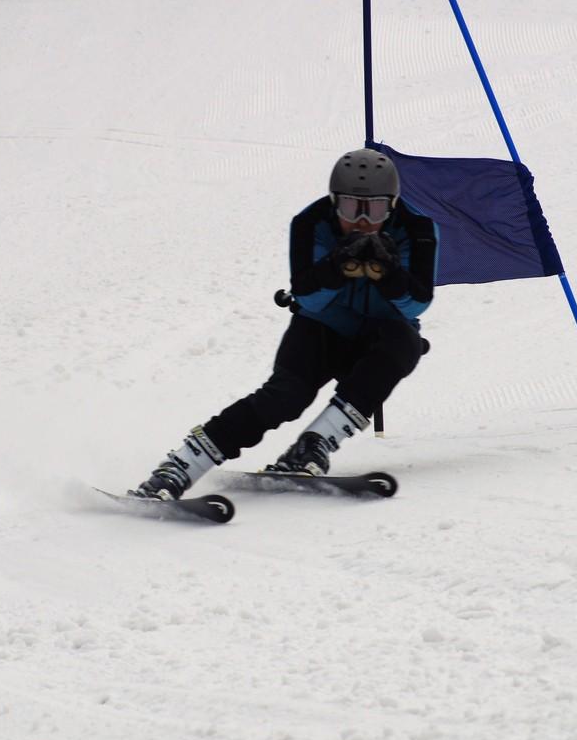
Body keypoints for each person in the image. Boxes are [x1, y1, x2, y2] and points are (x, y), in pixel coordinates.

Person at [131, 148, 439, 500]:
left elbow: (418, 301)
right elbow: (308, 297)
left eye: (377, 210)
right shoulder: (310, 222)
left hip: (380, 337)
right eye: (352, 208)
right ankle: (181, 465)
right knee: (286, 397)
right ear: (334, 201)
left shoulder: (419, 230)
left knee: (405, 342)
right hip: (321, 330)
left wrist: (390, 275)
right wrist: (337, 265)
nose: (364, 222)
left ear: (394, 205)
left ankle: (315, 444)